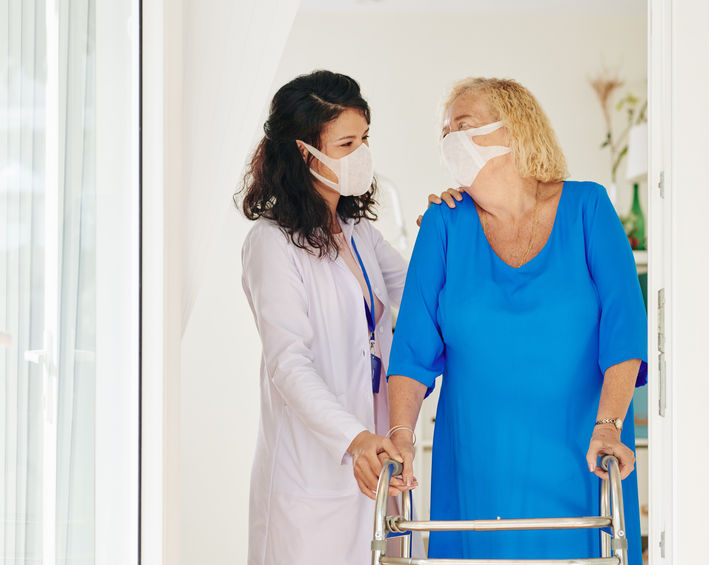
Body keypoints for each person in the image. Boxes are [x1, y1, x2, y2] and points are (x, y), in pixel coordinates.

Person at [361, 77, 648, 562]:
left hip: (582, 453)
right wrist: (402, 437)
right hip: (477, 465)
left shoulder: (588, 209)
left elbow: (625, 333)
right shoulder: (444, 225)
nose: (451, 139)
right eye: (445, 131)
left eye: (464, 126)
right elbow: (411, 351)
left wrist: (610, 426)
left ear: (515, 130)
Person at [238, 70, 426, 565]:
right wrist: (355, 437)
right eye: (346, 143)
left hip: (378, 462)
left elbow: (418, 296)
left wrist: (448, 230)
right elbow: (288, 363)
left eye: (364, 139)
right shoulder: (271, 243)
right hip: (312, 480)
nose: (361, 153)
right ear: (304, 152)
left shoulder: (356, 230)